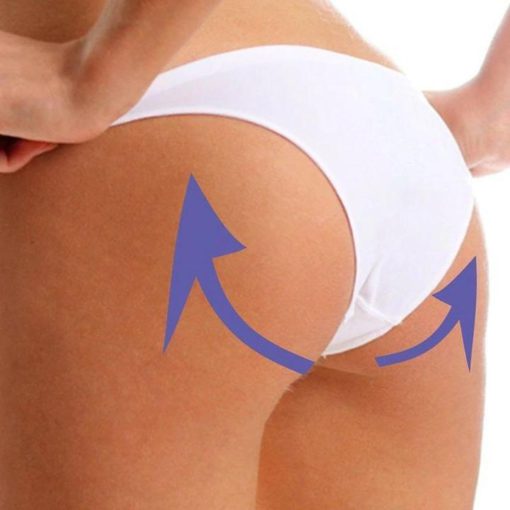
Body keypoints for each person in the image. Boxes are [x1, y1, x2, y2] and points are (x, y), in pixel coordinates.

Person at [0, 0, 503, 508]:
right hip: (392, 133)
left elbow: (96, 81)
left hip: (152, 129)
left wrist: (87, 80)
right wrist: (491, 109)